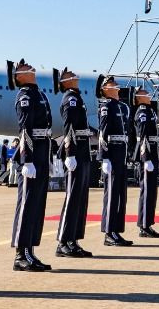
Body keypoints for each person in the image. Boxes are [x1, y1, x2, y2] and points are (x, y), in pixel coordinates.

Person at [9, 59, 53, 270]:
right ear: (19, 76)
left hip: (41, 153)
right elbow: (25, 128)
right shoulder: (25, 96)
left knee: (37, 205)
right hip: (32, 155)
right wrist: (27, 159)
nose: (29, 65)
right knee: (26, 205)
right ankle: (20, 255)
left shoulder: (39, 94)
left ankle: (30, 251)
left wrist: (48, 158)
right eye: (23, 66)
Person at [54, 67, 94, 257]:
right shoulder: (70, 99)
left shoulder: (77, 98)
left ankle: (73, 240)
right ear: (65, 81)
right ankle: (63, 242)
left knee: (80, 198)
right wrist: (69, 153)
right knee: (72, 198)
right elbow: (68, 126)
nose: (74, 74)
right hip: (75, 151)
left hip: (82, 150)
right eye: (69, 74)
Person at [97, 74, 134, 245]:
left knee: (120, 195)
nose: (116, 85)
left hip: (122, 153)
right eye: (111, 84)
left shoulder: (124, 107)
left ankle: (116, 231)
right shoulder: (106, 107)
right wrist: (104, 157)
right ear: (105, 89)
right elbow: (102, 134)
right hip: (111, 153)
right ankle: (108, 232)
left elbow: (128, 131)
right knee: (111, 194)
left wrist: (130, 153)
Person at [133, 87, 159, 238]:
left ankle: (148, 224)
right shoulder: (142, 112)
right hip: (146, 154)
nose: (148, 95)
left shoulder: (150, 110)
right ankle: (143, 226)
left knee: (152, 191)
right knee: (146, 191)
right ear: (138, 97)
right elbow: (143, 135)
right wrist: (146, 158)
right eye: (145, 93)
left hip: (153, 152)